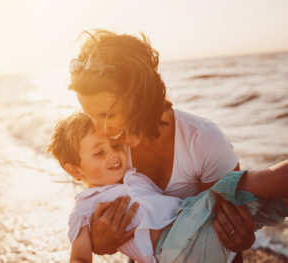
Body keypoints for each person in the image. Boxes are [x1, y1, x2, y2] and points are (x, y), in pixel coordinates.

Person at [67, 29, 255, 261]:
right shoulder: (110, 149)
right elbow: (99, 206)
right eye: (91, 116)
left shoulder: (203, 140)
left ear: (141, 97)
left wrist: (243, 236)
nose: (100, 130)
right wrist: (99, 242)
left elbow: (230, 227)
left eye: (108, 114)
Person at [47, 112, 288, 263]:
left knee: (266, 202)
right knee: (240, 186)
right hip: (173, 249)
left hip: (199, 234)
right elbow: (79, 256)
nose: (114, 155)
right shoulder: (84, 208)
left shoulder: (133, 175)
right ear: (75, 171)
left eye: (114, 145)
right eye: (99, 152)